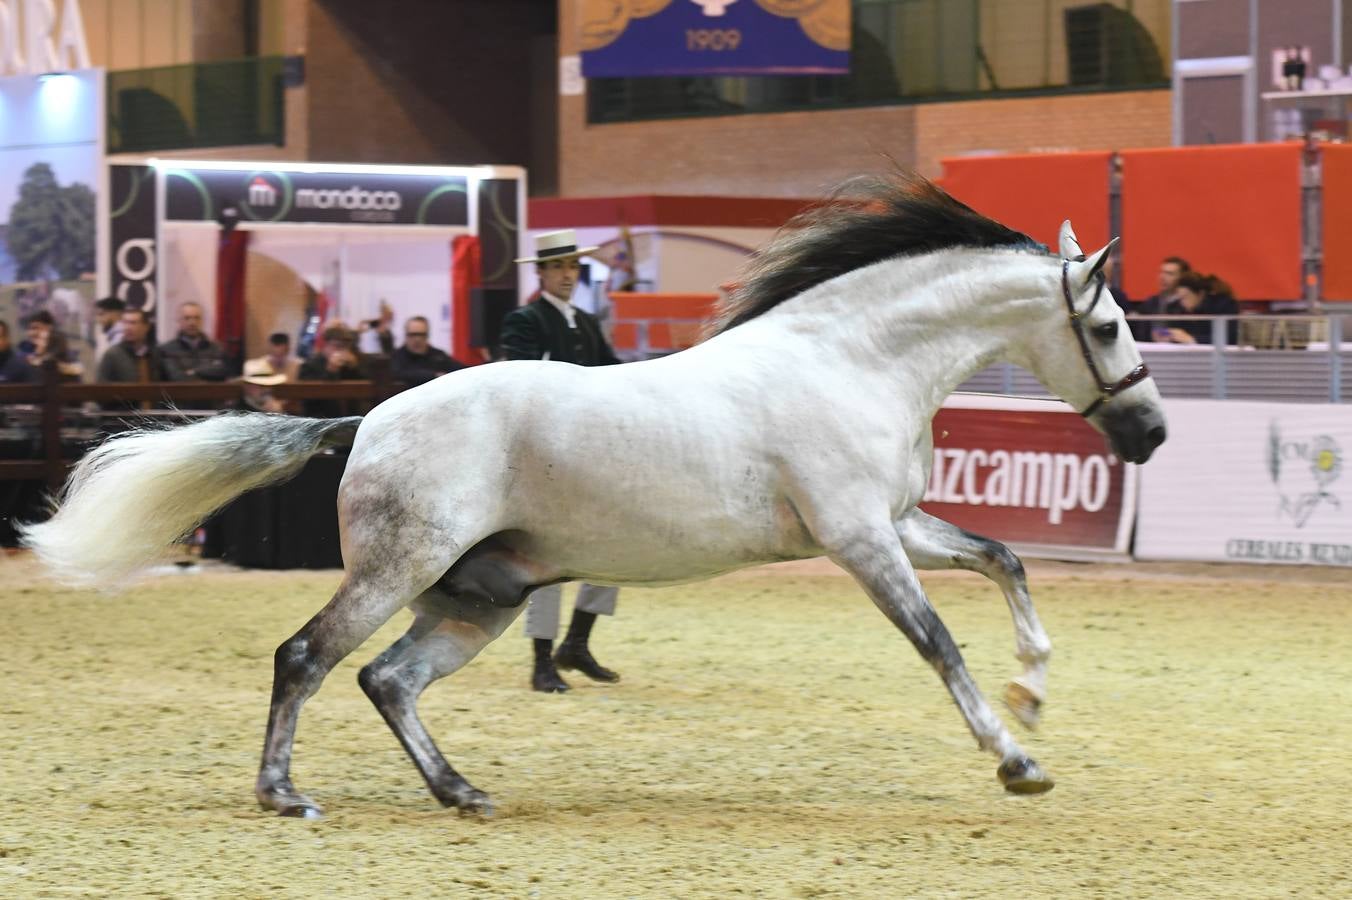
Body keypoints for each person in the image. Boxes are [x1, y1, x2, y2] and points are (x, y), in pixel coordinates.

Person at [500, 229, 623, 693]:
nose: (568, 275)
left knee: (614, 544)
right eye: (559, 268)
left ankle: (577, 641)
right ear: (543, 273)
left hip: (590, 451)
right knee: (548, 556)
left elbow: (613, 371)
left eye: (573, 267)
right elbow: (520, 380)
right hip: (544, 456)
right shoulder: (524, 320)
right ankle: (541, 658)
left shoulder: (588, 323)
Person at [298, 321, 366, 417]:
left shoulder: (352, 363)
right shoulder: (310, 364)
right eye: (337, 346)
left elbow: (363, 389)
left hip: (350, 417)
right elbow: (309, 397)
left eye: (345, 347)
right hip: (319, 418)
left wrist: (354, 368)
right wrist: (330, 371)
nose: (342, 351)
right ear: (326, 345)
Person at [1157, 271, 1240, 345]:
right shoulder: (1176, 307)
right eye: (1179, 298)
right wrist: (1167, 336)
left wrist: (1192, 339)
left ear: (1200, 294)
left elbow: (1228, 338)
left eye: (1185, 297)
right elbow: (1174, 332)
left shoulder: (1223, 305)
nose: (1182, 303)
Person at [160, 301, 228, 381]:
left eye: (197, 318)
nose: (192, 323)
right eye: (187, 318)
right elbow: (175, 377)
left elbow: (222, 372)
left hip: (212, 392)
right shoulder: (166, 350)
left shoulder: (217, 348)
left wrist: (193, 371)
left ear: (202, 320)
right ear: (179, 320)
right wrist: (207, 372)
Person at [391, 316, 467, 387]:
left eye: (422, 334)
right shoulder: (397, 356)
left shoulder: (438, 355)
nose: (417, 339)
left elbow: (461, 369)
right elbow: (398, 373)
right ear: (406, 335)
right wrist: (434, 375)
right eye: (413, 334)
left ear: (427, 335)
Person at [1136, 256, 1190, 343]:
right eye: (1161, 272)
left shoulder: (1187, 305)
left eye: (1169, 274)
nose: (1162, 277)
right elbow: (1140, 334)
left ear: (1182, 277)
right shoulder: (1150, 303)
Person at [93, 296, 126, 361]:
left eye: (101, 314)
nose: (98, 320)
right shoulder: (116, 336)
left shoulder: (120, 338)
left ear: (116, 314)